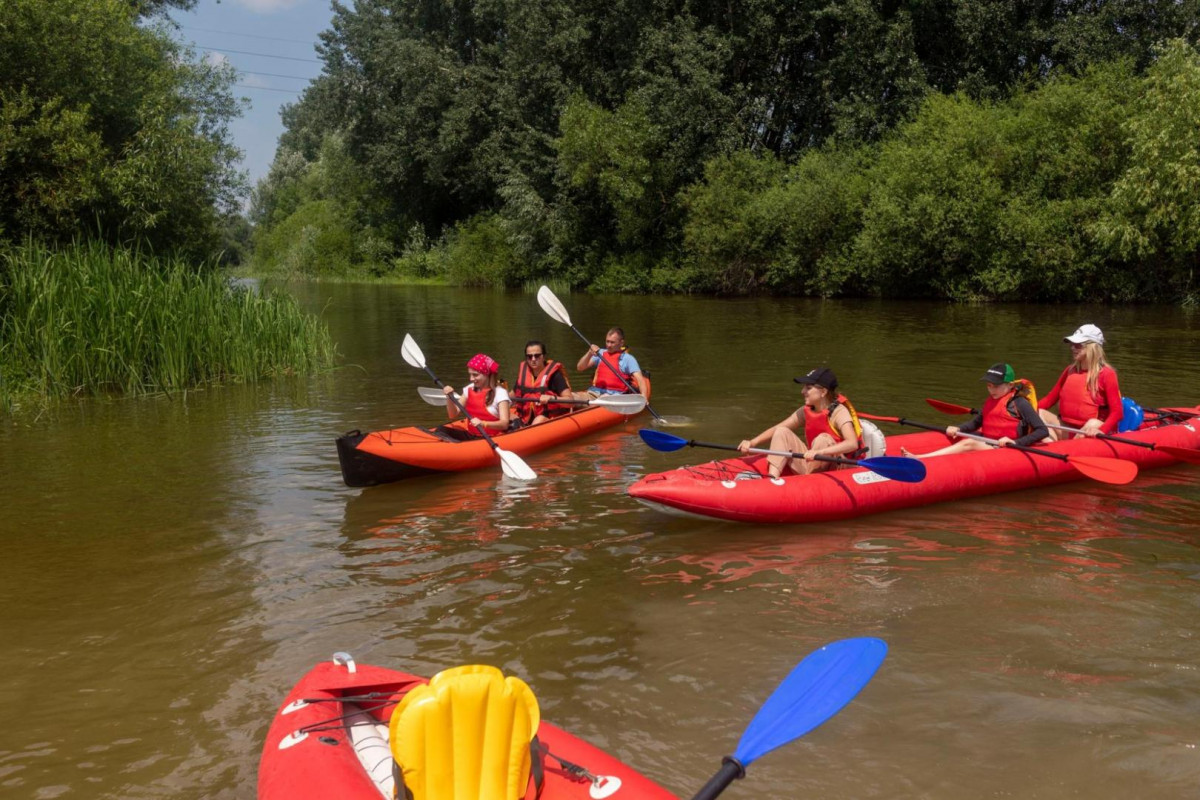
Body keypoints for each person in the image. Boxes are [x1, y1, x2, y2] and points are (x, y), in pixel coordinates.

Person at [901, 363, 1048, 458]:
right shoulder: (991, 401)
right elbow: (976, 423)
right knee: (964, 437)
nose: (991, 390)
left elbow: (1042, 430)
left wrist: (1016, 442)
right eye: (989, 385)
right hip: (990, 444)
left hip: (1008, 450)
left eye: (995, 386)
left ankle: (921, 458)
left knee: (969, 443)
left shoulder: (1020, 403)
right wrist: (959, 428)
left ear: (1010, 385)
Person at [737, 367, 862, 479]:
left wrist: (820, 452)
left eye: (808, 388)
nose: (802, 391)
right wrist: (753, 442)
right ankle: (772, 479)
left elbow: (852, 444)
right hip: (813, 462)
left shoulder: (839, 412)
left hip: (839, 469)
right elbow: (778, 427)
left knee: (823, 439)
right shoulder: (806, 411)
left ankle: (805, 485)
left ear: (823, 392)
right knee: (781, 432)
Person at [1038, 324, 1123, 440]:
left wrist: (1100, 430)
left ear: (1092, 347)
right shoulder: (1069, 370)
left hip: (1092, 430)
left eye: (1078, 345)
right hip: (1068, 428)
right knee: (1039, 413)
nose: (1073, 348)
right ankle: (1050, 448)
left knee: (1093, 422)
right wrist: (1026, 410)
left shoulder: (1107, 374)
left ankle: (1064, 449)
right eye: (1072, 345)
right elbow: (1049, 400)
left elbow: (1117, 412)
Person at [443, 353, 512, 438]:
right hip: (471, 435)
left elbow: (504, 424)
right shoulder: (469, 389)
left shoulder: (500, 393)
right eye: (470, 374)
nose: (471, 379)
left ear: (487, 374)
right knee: (441, 430)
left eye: (475, 375)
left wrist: (483, 423)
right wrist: (449, 397)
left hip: (492, 437)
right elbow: (453, 414)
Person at [511, 340, 573, 426]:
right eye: (529, 356)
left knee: (539, 419)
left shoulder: (555, 375)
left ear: (543, 357)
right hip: (525, 419)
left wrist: (551, 398)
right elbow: (511, 397)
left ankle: (529, 436)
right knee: (506, 415)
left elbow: (570, 401)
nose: (533, 359)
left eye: (537, 356)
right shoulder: (524, 375)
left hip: (548, 418)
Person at [575, 327, 648, 397]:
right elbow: (580, 368)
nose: (609, 345)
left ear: (621, 343)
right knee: (572, 397)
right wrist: (589, 353)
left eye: (612, 342)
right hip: (594, 392)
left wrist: (644, 397)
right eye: (607, 341)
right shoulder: (599, 353)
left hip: (614, 396)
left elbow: (640, 380)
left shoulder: (628, 359)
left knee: (603, 398)